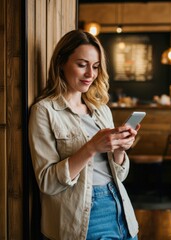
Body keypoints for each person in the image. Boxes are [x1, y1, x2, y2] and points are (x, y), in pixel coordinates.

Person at [28, 30, 139, 240]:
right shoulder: (44, 111)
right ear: (61, 63)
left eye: (95, 66)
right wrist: (91, 148)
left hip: (120, 205)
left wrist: (120, 151)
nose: (90, 74)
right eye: (82, 65)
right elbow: (47, 182)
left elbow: (120, 176)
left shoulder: (101, 109)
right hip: (83, 214)